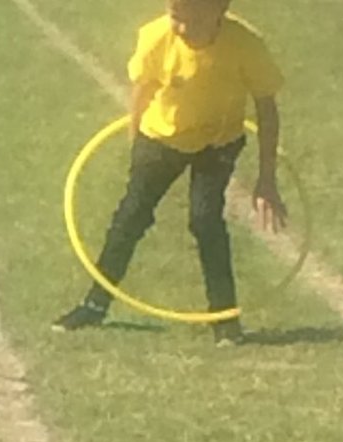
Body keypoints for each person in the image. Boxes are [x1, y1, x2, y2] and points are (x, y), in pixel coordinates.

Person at [52, 0, 287, 346]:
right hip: (161, 138)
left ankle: (225, 320)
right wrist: (138, 147)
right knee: (131, 216)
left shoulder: (245, 44)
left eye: (190, 19)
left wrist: (267, 179)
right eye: (174, 16)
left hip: (219, 141)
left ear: (217, 13)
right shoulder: (155, 37)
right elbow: (143, 91)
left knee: (206, 220)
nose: (179, 27)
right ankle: (93, 305)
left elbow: (267, 108)